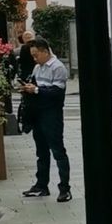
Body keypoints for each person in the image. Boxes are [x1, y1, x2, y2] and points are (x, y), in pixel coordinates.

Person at [19, 37, 72, 203]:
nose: (35, 59)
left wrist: (36, 90)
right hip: (38, 113)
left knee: (57, 150)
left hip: (52, 114)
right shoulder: (38, 67)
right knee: (41, 151)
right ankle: (42, 185)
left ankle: (65, 188)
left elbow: (57, 93)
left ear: (45, 51)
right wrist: (27, 87)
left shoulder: (58, 68)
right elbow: (35, 85)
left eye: (36, 55)